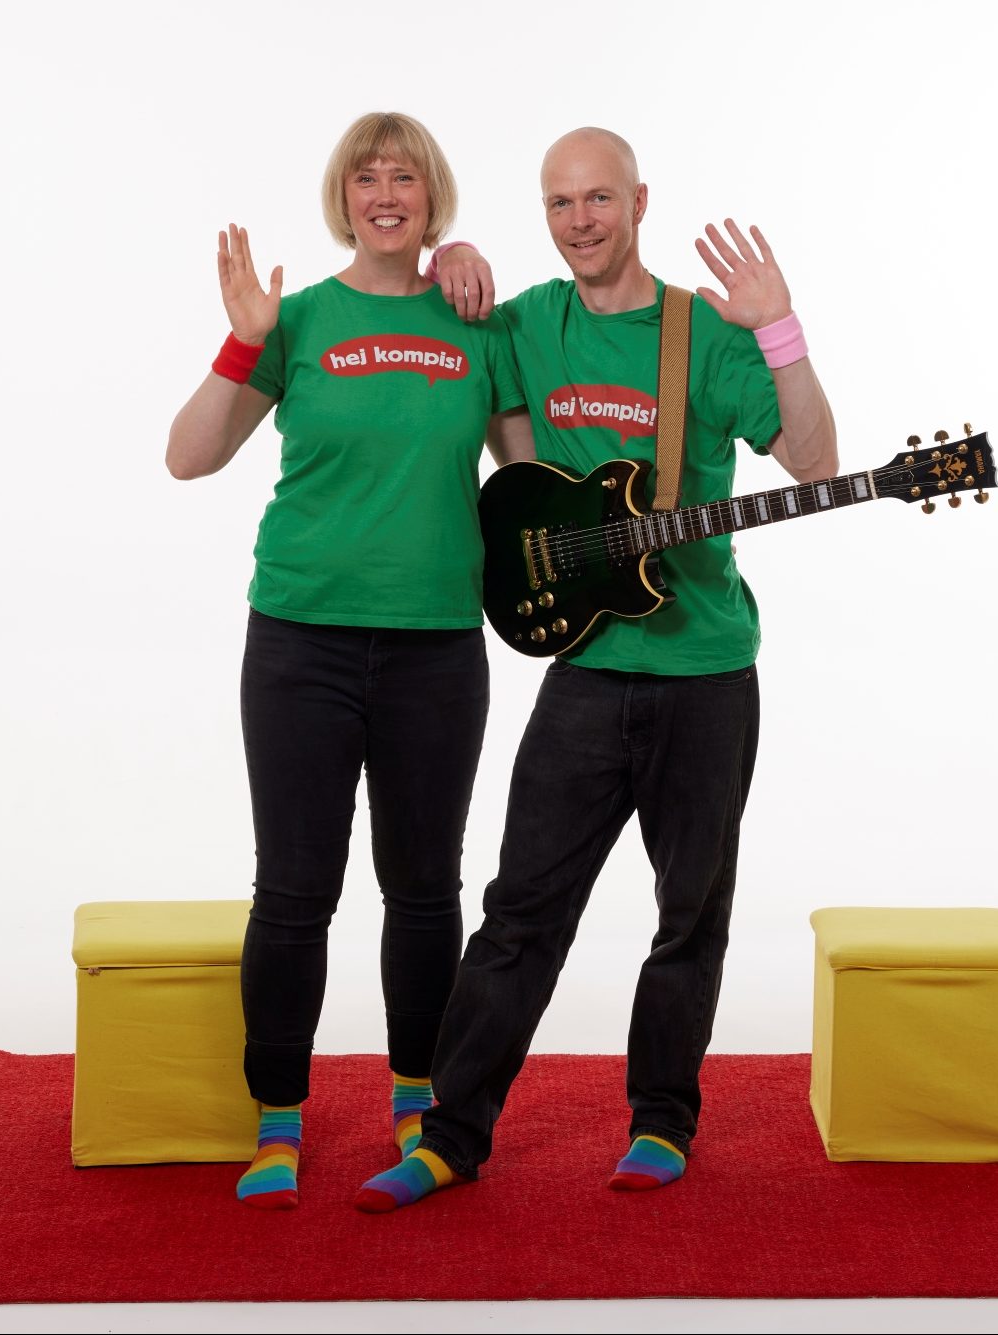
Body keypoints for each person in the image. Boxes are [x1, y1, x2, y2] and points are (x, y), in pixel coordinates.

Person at [355, 126, 838, 1212]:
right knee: (520, 911)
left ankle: (662, 1120)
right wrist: (451, 251)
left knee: (689, 913)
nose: (579, 221)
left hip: (705, 670)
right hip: (583, 666)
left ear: (639, 202)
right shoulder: (529, 321)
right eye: (559, 203)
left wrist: (779, 331)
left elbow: (813, 464)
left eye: (599, 199)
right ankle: (451, 1135)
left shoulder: (703, 335)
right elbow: (444, 342)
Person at [165, 112, 531, 1210]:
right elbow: (188, 456)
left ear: (432, 197)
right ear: (343, 198)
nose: (385, 194)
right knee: (293, 891)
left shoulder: (476, 322)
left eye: (404, 177)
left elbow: (529, 485)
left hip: (435, 647)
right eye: (366, 178)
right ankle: (277, 1118)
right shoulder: (298, 321)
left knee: (423, 891)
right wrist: (243, 340)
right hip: (299, 641)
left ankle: (418, 1102)